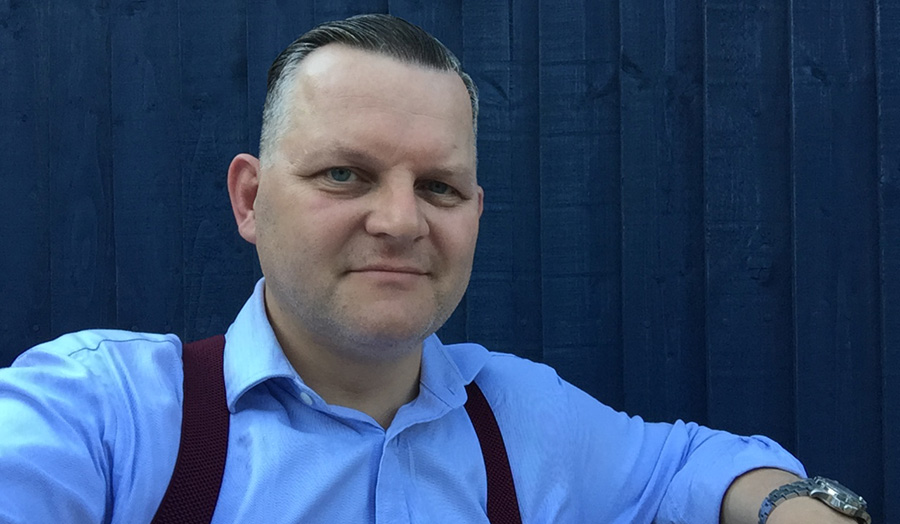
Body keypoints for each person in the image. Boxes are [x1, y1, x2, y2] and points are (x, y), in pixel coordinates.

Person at [0, 14, 869, 524]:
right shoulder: (104, 419)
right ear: (251, 200)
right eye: (345, 174)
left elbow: (688, 465)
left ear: (475, 215)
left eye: (439, 187)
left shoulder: (522, 420)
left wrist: (791, 507)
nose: (400, 220)